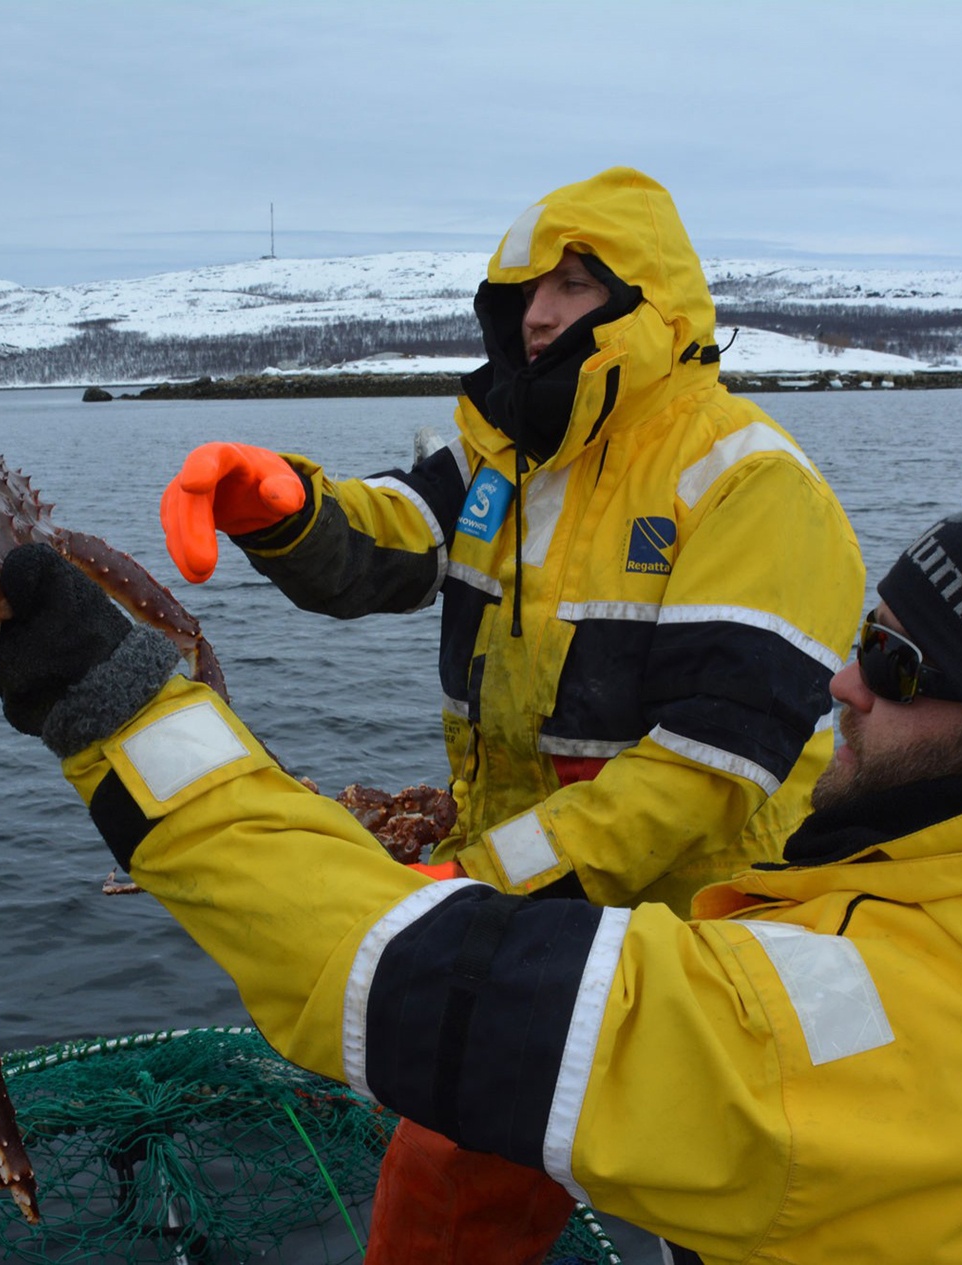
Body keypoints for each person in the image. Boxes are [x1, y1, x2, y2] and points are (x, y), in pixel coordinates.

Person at [0, 484, 962, 1261]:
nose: (844, 680)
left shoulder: (829, 1059)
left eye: (905, 669)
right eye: (872, 632)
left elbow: (403, 977)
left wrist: (119, 710)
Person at [157, 168, 865, 1258]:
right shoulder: (501, 457)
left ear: (652, 304)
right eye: (525, 286)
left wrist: (480, 882)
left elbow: (699, 774)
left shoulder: (749, 486)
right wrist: (288, 505)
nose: (537, 311)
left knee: (738, 1217)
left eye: (576, 284)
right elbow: (396, 534)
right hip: (527, 902)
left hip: (708, 945)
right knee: (446, 1187)